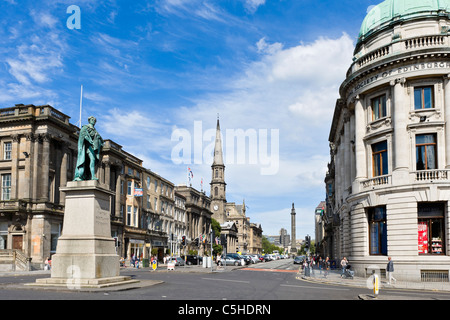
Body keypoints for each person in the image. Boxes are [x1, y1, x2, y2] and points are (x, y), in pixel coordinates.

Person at [74, 116, 104, 181]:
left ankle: (90, 175)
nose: (93, 121)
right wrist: (88, 139)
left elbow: (101, 140)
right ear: (89, 120)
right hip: (88, 148)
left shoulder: (95, 131)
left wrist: (99, 140)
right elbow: (83, 135)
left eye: (94, 120)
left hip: (93, 147)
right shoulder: (85, 128)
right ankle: (92, 176)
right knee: (92, 160)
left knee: (92, 161)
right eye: (92, 119)